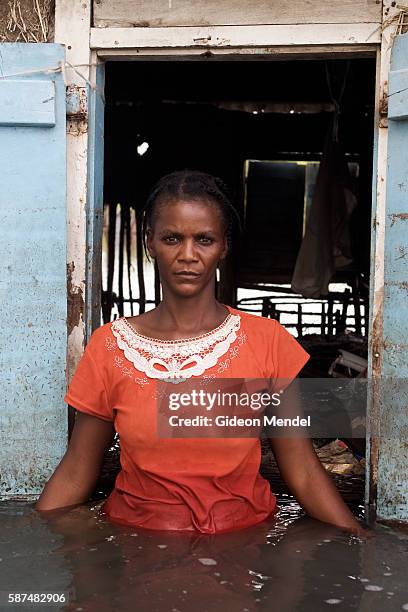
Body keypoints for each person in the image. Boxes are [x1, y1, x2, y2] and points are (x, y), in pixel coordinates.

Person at [36, 169, 367, 537]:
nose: (188, 255)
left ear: (224, 246)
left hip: (240, 547)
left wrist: (359, 538)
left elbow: (302, 470)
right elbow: (78, 468)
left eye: (204, 239)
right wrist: (31, 550)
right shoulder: (110, 347)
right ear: (150, 242)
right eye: (172, 238)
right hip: (136, 547)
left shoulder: (267, 341)